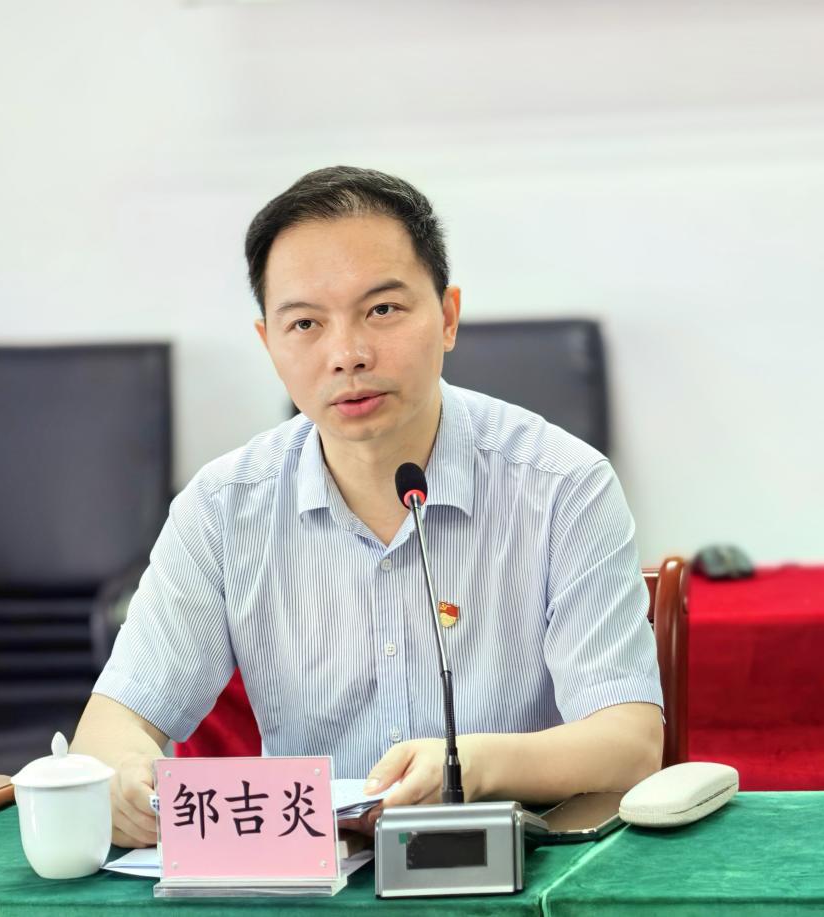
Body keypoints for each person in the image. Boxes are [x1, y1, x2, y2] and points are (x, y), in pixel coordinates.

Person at [72, 166, 663, 848]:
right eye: (305, 323)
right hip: (306, 874)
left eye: (381, 310)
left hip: (509, 866)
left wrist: (469, 766)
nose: (346, 354)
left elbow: (629, 742)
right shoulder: (223, 507)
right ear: (269, 344)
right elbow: (115, 721)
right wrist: (121, 777)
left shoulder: (562, 484)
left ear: (447, 317)